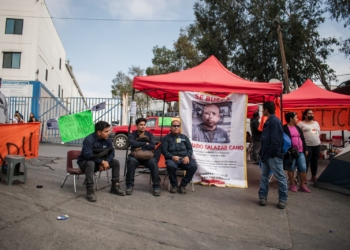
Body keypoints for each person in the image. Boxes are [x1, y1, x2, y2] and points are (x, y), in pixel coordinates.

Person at [77, 121, 125, 202]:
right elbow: (88, 156)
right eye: (106, 131)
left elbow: (112, 152)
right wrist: (102, 162)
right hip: (85, 162)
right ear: (99, 132)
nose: (108, 133)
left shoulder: (107, 139)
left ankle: (114, 187)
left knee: (116, 162)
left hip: (101, 162)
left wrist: (106, 162)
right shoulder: (89, 140)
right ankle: (90, 191)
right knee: (91, 163)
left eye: (108, 131)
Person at [258, 101, 288, 209]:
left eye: (263, 109)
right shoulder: (269, 121)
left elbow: (276, 139)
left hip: (272, 155)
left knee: (280, 176)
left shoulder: (274, 121)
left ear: (266, 109)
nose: (262, 111)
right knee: (264, 176)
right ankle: (263, 196)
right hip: (267, 154)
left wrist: (271, 153)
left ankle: (282, 199)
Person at [126, 118, 161, 196]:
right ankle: (129, 185)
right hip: (135, 156)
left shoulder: (150, 135)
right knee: (130, 161)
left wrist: (141, 146)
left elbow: (152, 146)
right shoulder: (132, 135)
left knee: (153, 162)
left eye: (144, 125)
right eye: (141, 125)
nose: (143, 126)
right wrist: (145, 143)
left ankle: (156, 186)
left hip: (147, 157)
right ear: (137, 126)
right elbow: (133, 144)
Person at [161, 120, 197, 194]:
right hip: (172, 159)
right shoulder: (166, 138)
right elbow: (164, 151)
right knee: (171, 166)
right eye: (174, 126)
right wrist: (172, 157)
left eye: (178, 126)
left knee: (193, 166)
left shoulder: (184, 137)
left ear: (180, 127)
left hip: (184, 159)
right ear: (171, 127)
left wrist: (187, 156)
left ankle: (183, 185)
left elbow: (190, 149)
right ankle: (174, 185)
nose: (176, 127)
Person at [283, 112, 310, 193]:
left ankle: (302, 185)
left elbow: (302, 139)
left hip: (300, 151)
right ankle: (292, 184)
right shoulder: (284, 128)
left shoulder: (297, 128)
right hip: (291, 152)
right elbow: (284, 140)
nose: (297, 119)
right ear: (291, 119)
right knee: (291, 168)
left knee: (303, 168)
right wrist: (289, 150)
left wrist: (305, 149)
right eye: (296, 117)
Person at [298, 109, 321, 182]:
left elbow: (318, 132)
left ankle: (313, 176)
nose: (311, 115)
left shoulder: (316, 123)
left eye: (312, 113)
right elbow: (299, 135)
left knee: (315, 161)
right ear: (305, 115)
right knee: (306, 161)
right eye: (309, 114)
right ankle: (304, 177)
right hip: (307, 145)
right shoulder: (301, 124)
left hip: (316, 144)